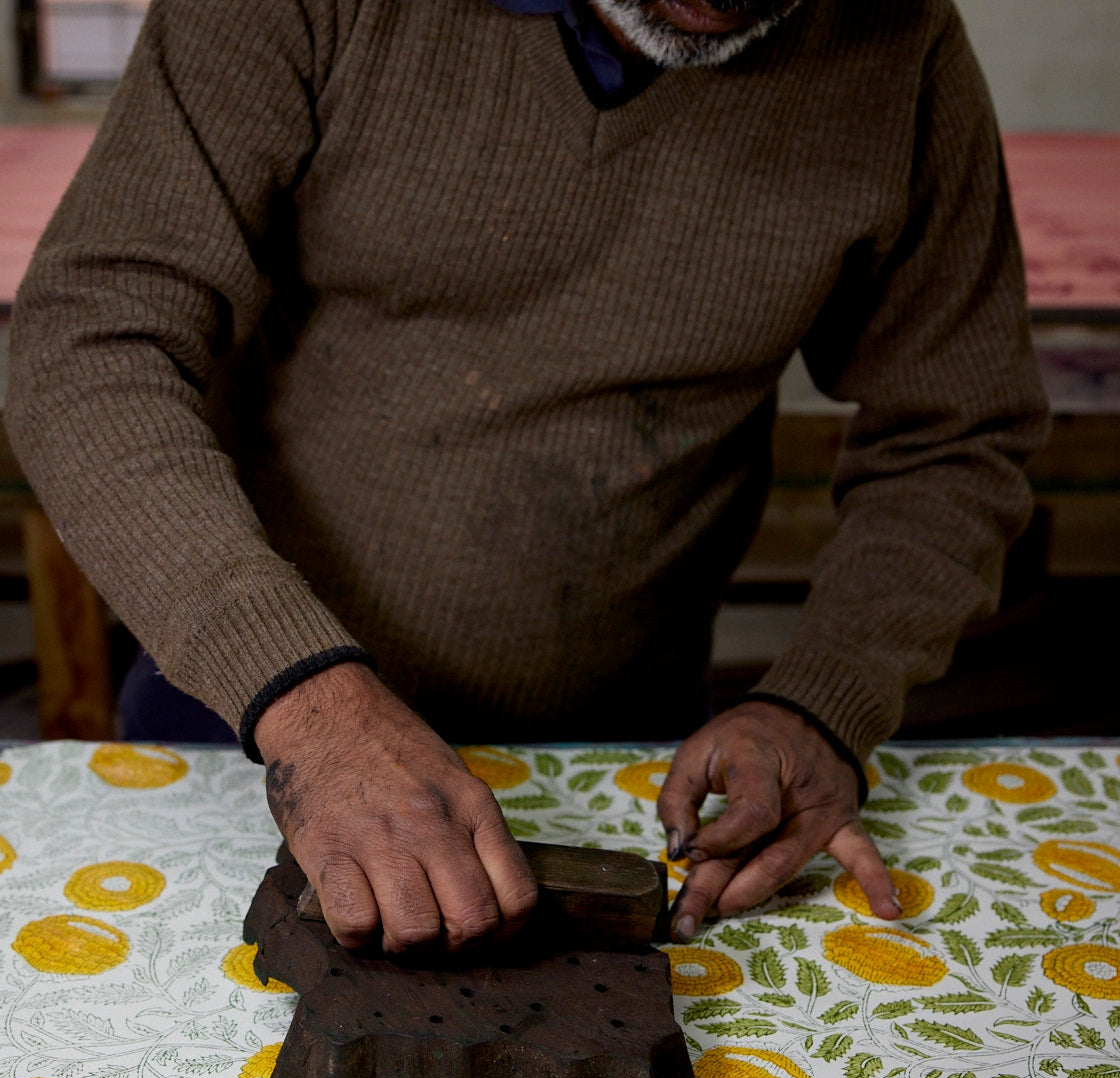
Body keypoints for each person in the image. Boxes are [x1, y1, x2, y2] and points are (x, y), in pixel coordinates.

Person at [7, 0, 1049, 957]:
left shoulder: (896, 42)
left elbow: (956, 435)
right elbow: (90, 339)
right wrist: (312, 709)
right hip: (250, 721)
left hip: (624, 764)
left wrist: (823, 705)